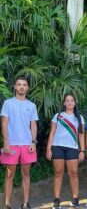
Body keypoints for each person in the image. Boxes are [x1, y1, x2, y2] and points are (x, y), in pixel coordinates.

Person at [0, 77, 39, 209]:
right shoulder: (8, 103)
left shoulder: (31, 105)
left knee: (26, 173)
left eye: (24, 85)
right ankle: (6, 204)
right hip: (11, 144)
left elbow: (33, 124)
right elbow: (4, 123)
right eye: (19, 85)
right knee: (9, 174)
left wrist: (33, 142)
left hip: (27, 145)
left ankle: (25, 203)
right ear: (15, 87)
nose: (22, 87)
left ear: (27, 88)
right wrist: (6, 142)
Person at [46, 93, 86, 209]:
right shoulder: (58, 116)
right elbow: (52, 133)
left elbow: (81, 135)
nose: (69, 102)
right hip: (57, 147)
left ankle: (75, 199)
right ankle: (57, 200)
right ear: (64, 103)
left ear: (75, 102)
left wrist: (82, 151)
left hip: (73, 148)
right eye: (67, 101)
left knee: (73, 173)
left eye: (71, 100)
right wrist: (49, 149)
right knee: (58, 173)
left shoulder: (79, 117)